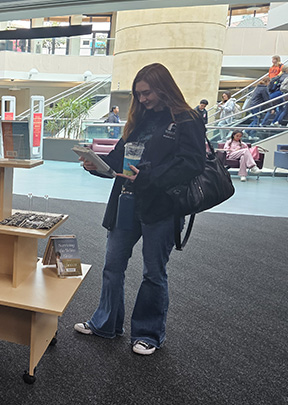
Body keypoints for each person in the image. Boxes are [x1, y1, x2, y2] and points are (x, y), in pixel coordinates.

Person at [73, 63, 205, 356]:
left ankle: (148, 334)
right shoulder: (139, 120)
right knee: (112, 265)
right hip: (125, 202)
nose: (142, 100)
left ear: (163, 87)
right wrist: (97, 165)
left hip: (162, 207)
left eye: (146, 93)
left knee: (153, 272)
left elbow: (192, 163)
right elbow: (119, 157)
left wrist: (148, 177)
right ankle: (105, 324)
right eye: (138, 94)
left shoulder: (187, 120)